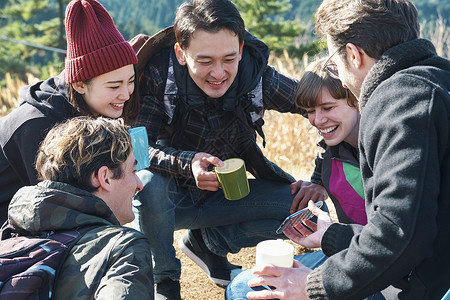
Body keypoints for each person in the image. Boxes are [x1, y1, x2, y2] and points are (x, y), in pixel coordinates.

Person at [228, 0, 450, 299]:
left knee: (244, 290)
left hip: (423, 286)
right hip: (425, 272)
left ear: (354, 55)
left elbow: (401, 237)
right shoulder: (435, 82)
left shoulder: (401, 102)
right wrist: (333, 234)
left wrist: (312, 286)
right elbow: (418, 224)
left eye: (335, 63)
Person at [130, 0, 327, 298]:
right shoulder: (159, 76)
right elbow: (139, 150)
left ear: (242, 48)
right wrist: (187, 162)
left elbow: (325, 109)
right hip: (170, 203)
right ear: (181, 54)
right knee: (148, 184)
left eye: (229, 58)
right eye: (205, 61)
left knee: (312, 213)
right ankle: (165, 280)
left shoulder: (256, 77)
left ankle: (210, 244)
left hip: (225, 196)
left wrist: (320, 178)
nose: (219, 73)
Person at [225, 58, 380, 299]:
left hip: (384, 270)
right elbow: (324, 150)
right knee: (240, 288)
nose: (318, 120)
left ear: (356, 99)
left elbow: (395, 241)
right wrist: (318, 181)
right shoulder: (334, 145)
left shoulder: (383, 151)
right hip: (346, 252)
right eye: (310, 111)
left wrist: (331, 236)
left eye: (328, 108)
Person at [0, 0, 138, 225]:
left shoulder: (90, 108)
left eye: (130, 81)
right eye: (114, 86)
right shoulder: (38, 126)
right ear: (80, 84)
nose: (126, 94)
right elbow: (54, 207)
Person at [4, 116, 154, 299]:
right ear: (104, 177)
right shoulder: (122, 249)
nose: (139, 184)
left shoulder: (9, 237)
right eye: (133, 171)